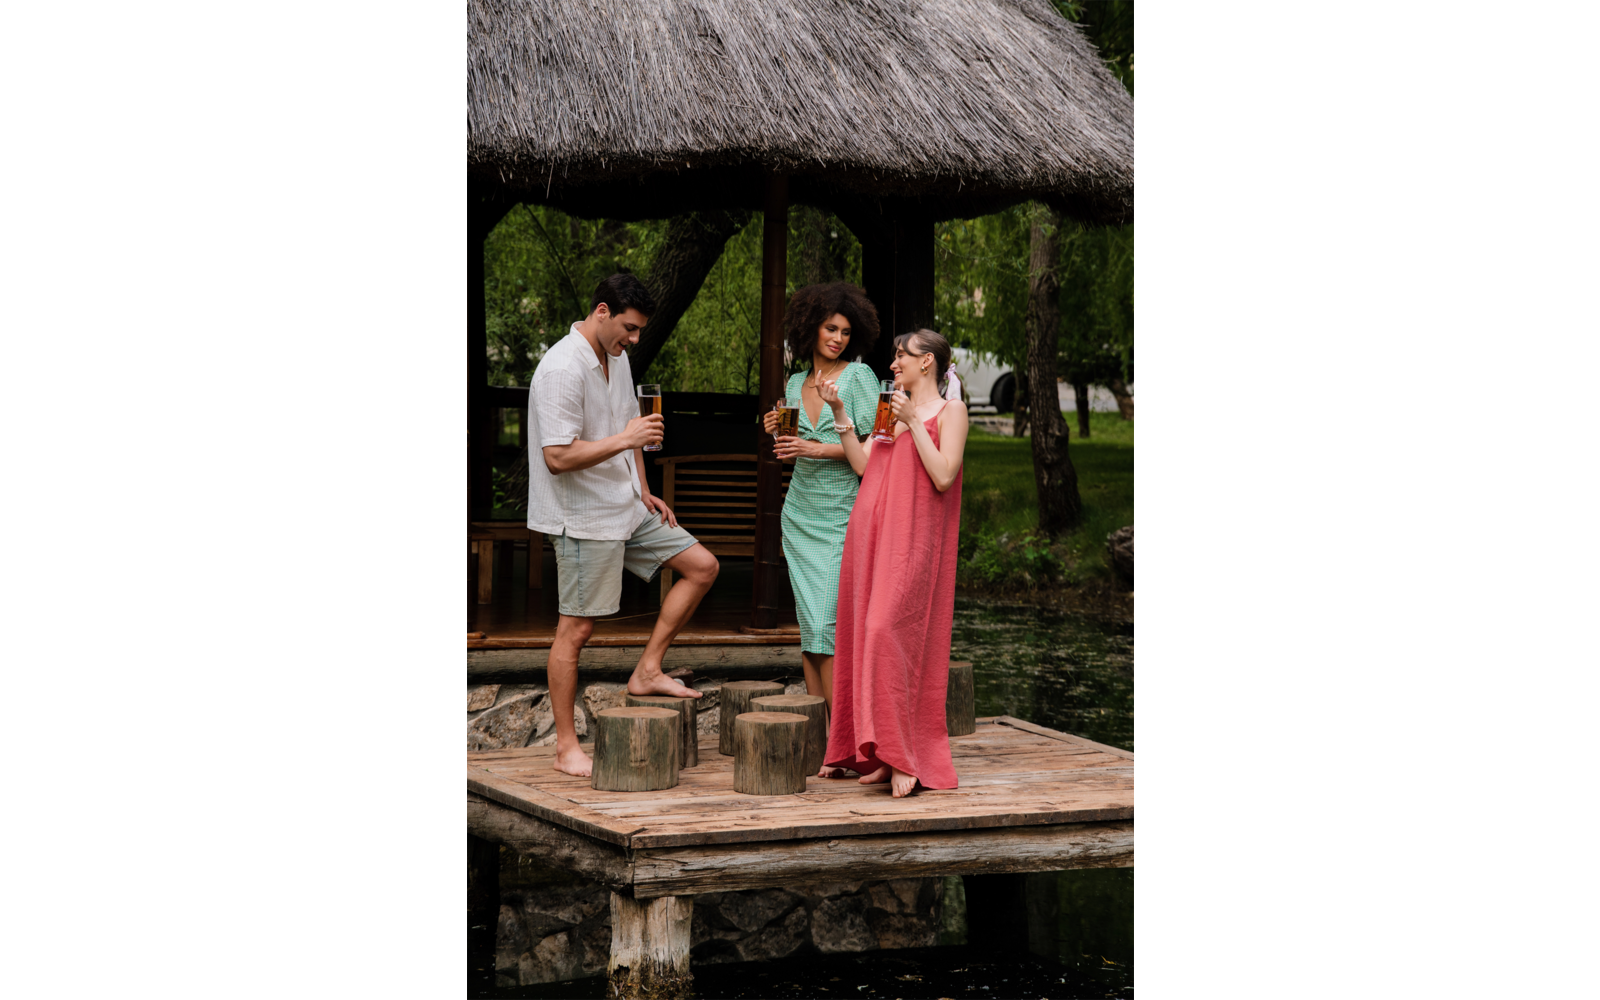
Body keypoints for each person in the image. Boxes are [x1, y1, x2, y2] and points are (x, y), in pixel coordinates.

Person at [526, 273, 719, 778]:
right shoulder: (561, 369)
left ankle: (648, 669)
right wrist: (625, 439)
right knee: (577, 628)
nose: (634, 339)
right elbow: (558, 457)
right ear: (602, 311)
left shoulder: (617, 356)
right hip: (582, 516)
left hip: (625, 503)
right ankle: (566, 747)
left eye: (637, 332)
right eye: (629, 328)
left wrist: (644, 487)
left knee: (701, 566)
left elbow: (632, 431)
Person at [817, 329, 969, 798]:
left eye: (902, 355)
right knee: (864, 634)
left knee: (888, 632)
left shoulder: (952, 412)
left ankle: (905, 753)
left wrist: (914, 423)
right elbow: (865, 465)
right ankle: (880, 753)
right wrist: (840, 412)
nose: (894, 362)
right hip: (872, 538)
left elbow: (944, 475)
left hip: (914, 541)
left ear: (928, 363)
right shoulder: (893, 409)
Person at [759, 283, 881, 778]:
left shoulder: (859, 378)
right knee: (811, 631)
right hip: (799, 515)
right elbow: (791, 442)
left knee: (827, 625)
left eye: (845, 331)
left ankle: (845, 741)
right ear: (811, 327)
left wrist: (815, 449)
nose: (836, 338)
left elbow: (876, 450)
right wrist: (777, 430)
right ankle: (825, 743)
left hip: (839, 516)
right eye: (830, 328)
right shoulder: (793, 384)